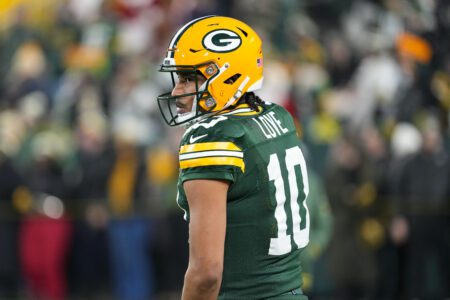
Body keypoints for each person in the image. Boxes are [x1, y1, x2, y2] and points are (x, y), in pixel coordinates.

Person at [157, 15, 311, 299]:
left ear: (226, 74)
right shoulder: (279, 118)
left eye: (189, 78)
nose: (178, 91)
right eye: (179, 78)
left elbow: (206, 274)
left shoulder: (212, 136)